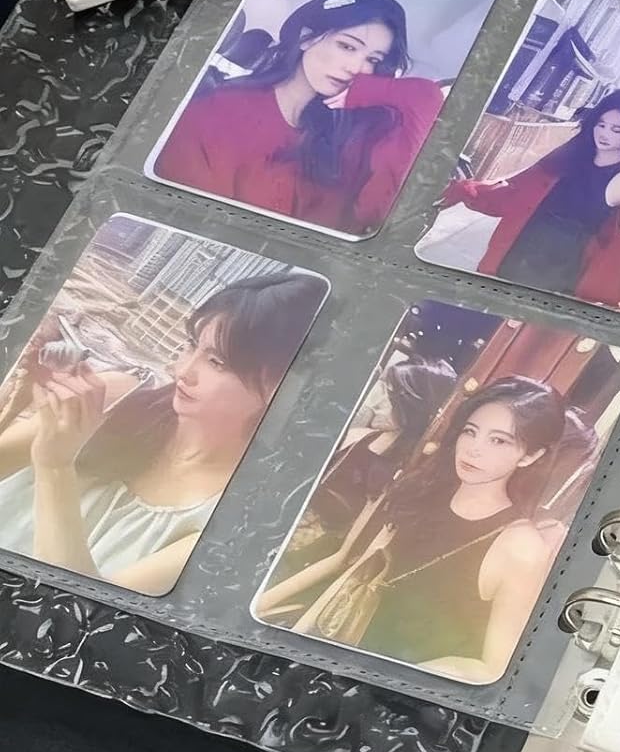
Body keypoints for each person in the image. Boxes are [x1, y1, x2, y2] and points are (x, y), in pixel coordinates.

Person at [0, 272, 324, 595]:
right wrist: (16, 394)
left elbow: (77, 607)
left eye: (216, 362)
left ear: (284, 387)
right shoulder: (111, 399)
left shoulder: (231, 524)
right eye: (191, 344)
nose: (183, 370)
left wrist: (55, 467)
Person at [259, 377, 571, 683]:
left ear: (530, 455)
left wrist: (397, 680)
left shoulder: (521, 547)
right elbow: (350, 572)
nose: (474, 449)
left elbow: (492, 668)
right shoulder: (420, 492)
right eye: (470, 432)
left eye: (498, 440)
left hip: (396, 687)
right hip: (337, 648)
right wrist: (265, 614)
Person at [153, 0, 444, 236]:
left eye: (373, 60)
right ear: (306, 37)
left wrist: (372, 92)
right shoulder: (218, 113)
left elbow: (427, 98)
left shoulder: (351, 134)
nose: (358, 68)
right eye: (347, 46)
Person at [438, 91, 620, 309]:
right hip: (514, 251)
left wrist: (588, 306)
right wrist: (465, 190)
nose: (604, 134)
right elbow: (516, 195)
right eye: (601, 124)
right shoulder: (572, 155)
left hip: (559, 274)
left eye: (617, 130)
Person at [274, 355, 457, 577]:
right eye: (383, 390)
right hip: (278, 535)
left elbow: (342, 556)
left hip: (299, 563)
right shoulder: (361, 437)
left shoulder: (399, 472)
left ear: (414, 407)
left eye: (390, 396)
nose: (378, 403)